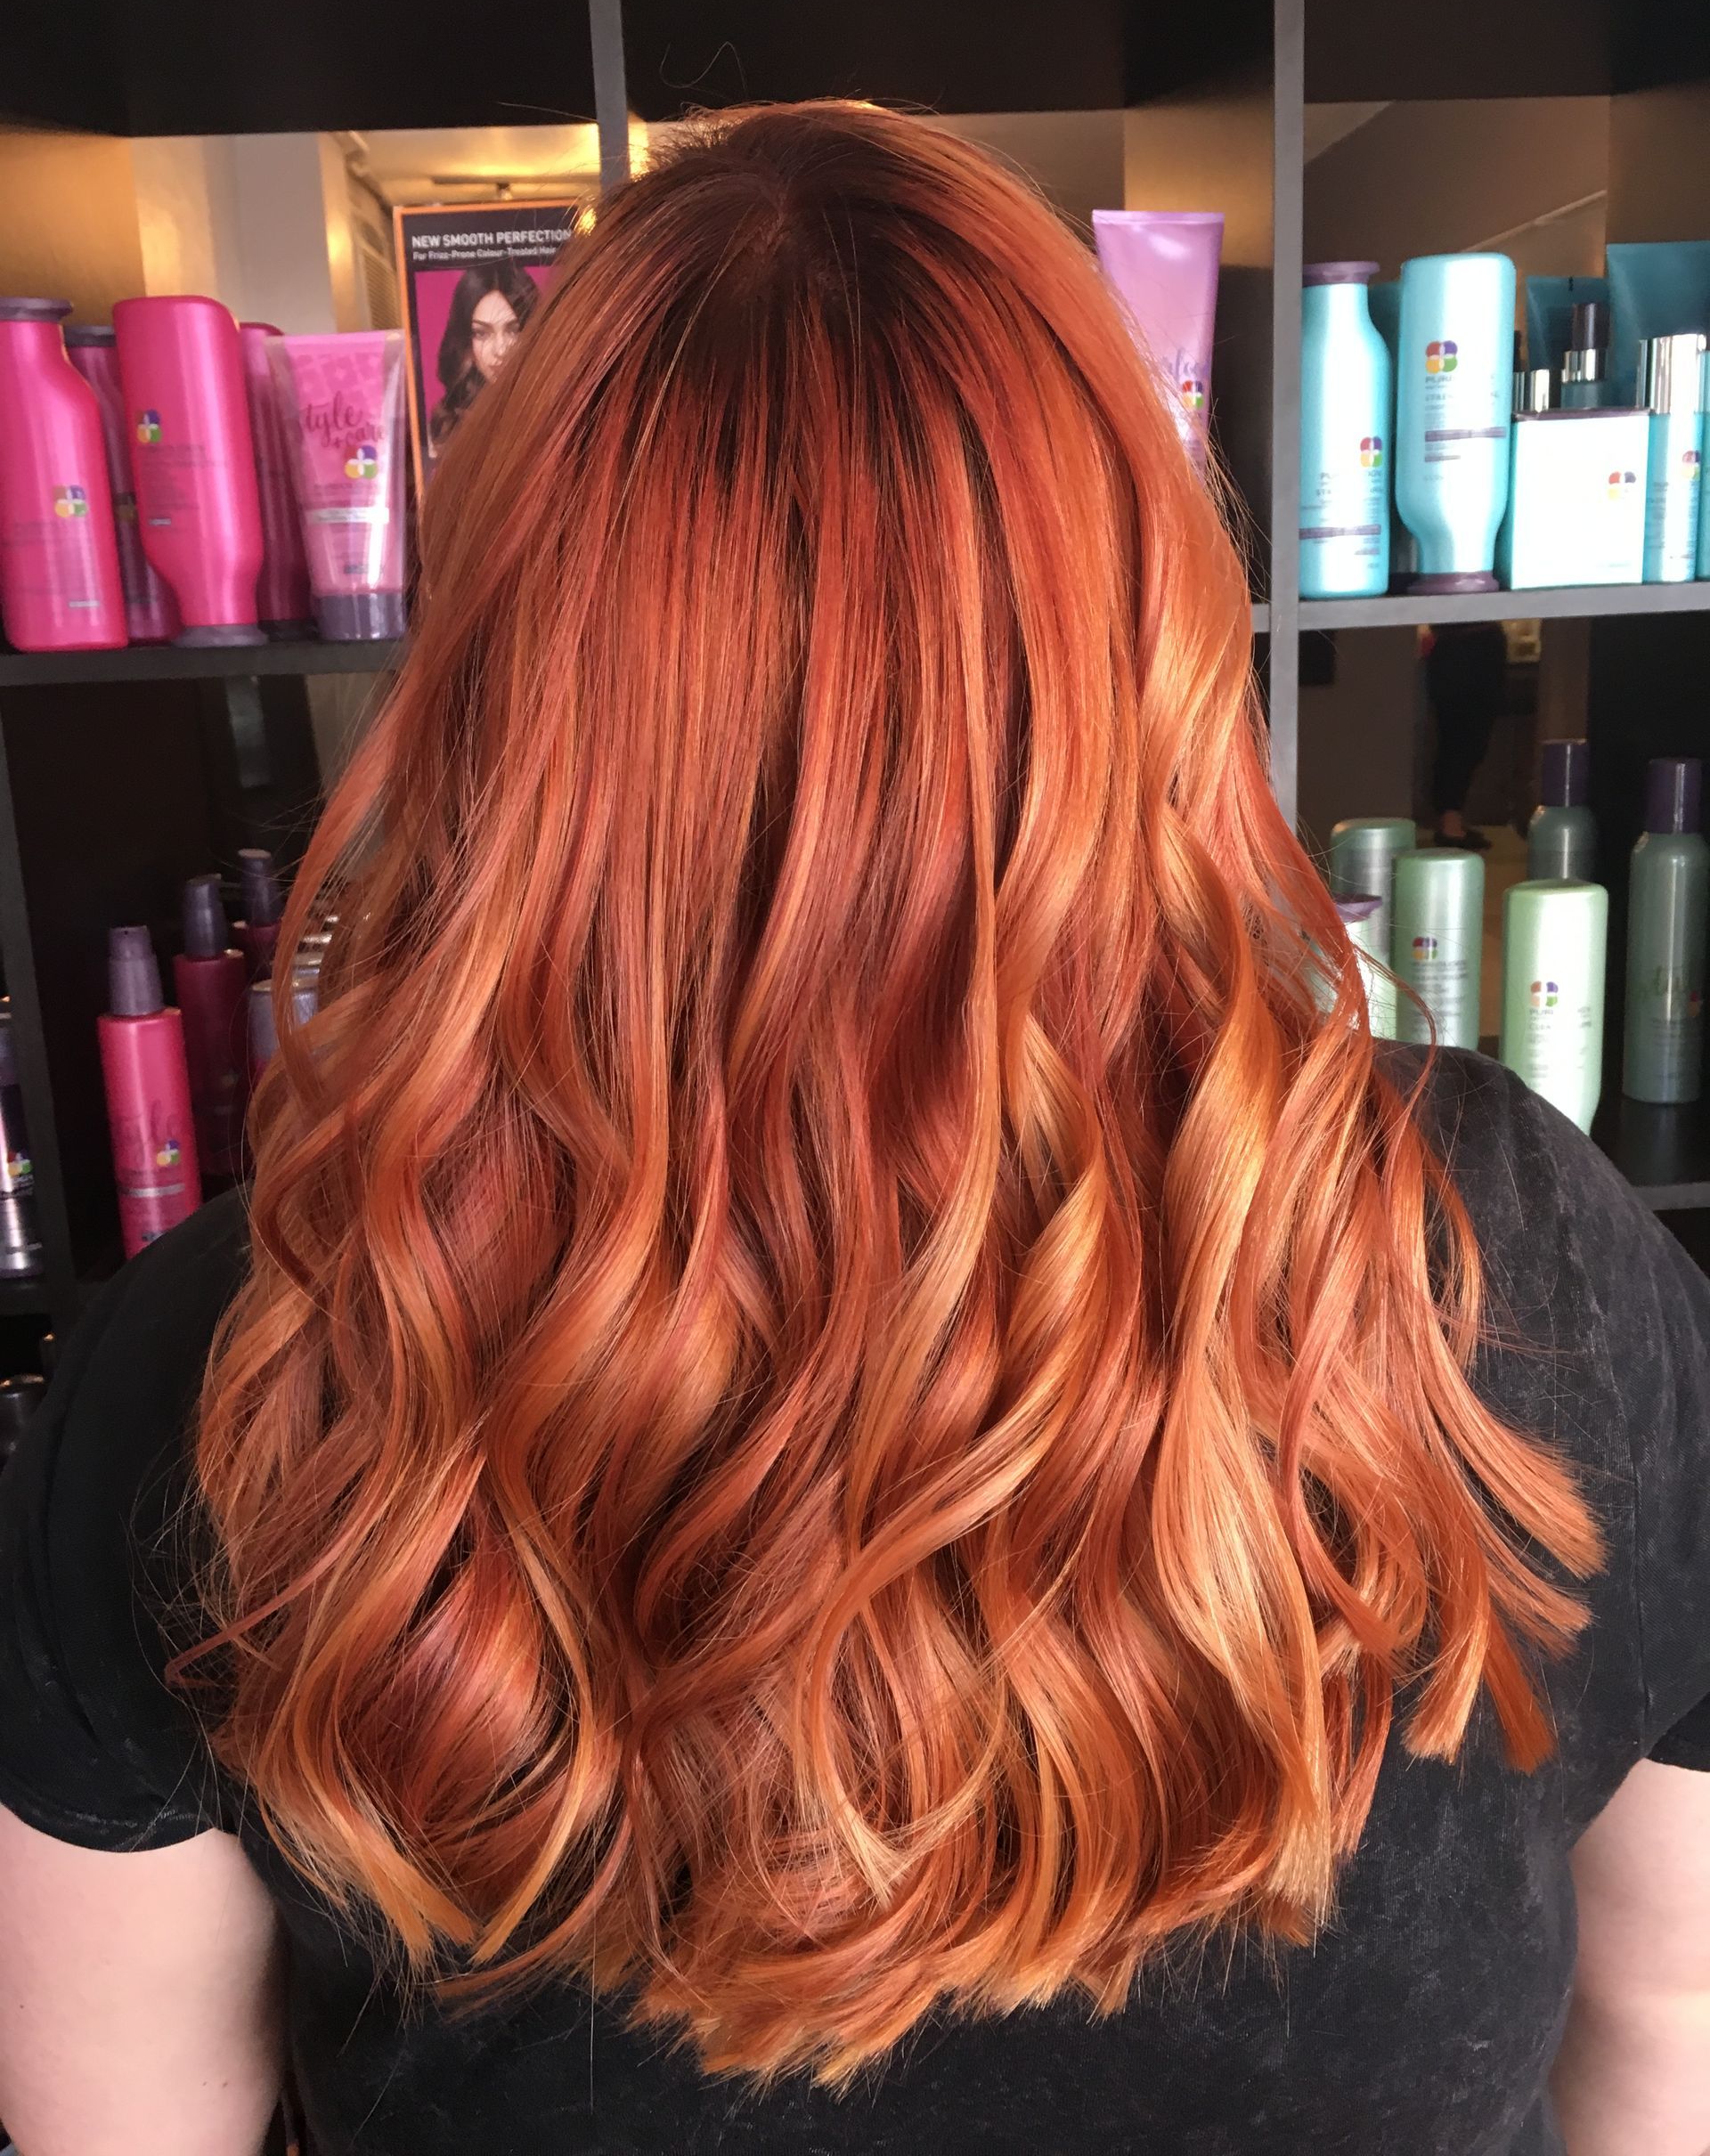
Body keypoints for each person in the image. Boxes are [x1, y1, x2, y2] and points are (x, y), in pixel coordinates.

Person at [0, 104, 1706, 2156]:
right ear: (1140, 631)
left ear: (505, 675)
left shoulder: (229, 1354)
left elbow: (118, 2120)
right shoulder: (1517, 1252)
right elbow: (1670, 2003)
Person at [427, 255, 538, 452]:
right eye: (482, 333)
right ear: (466, 341)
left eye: (513, 330)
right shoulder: (450, 425)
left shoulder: (557, 410)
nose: (501, 350)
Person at [1423, 617, 1507, 849]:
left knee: (1456, 738)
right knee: (1466, 739)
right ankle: (1450, 823)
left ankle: (1450, 820)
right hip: (1473, 645)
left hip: (1454, 648)